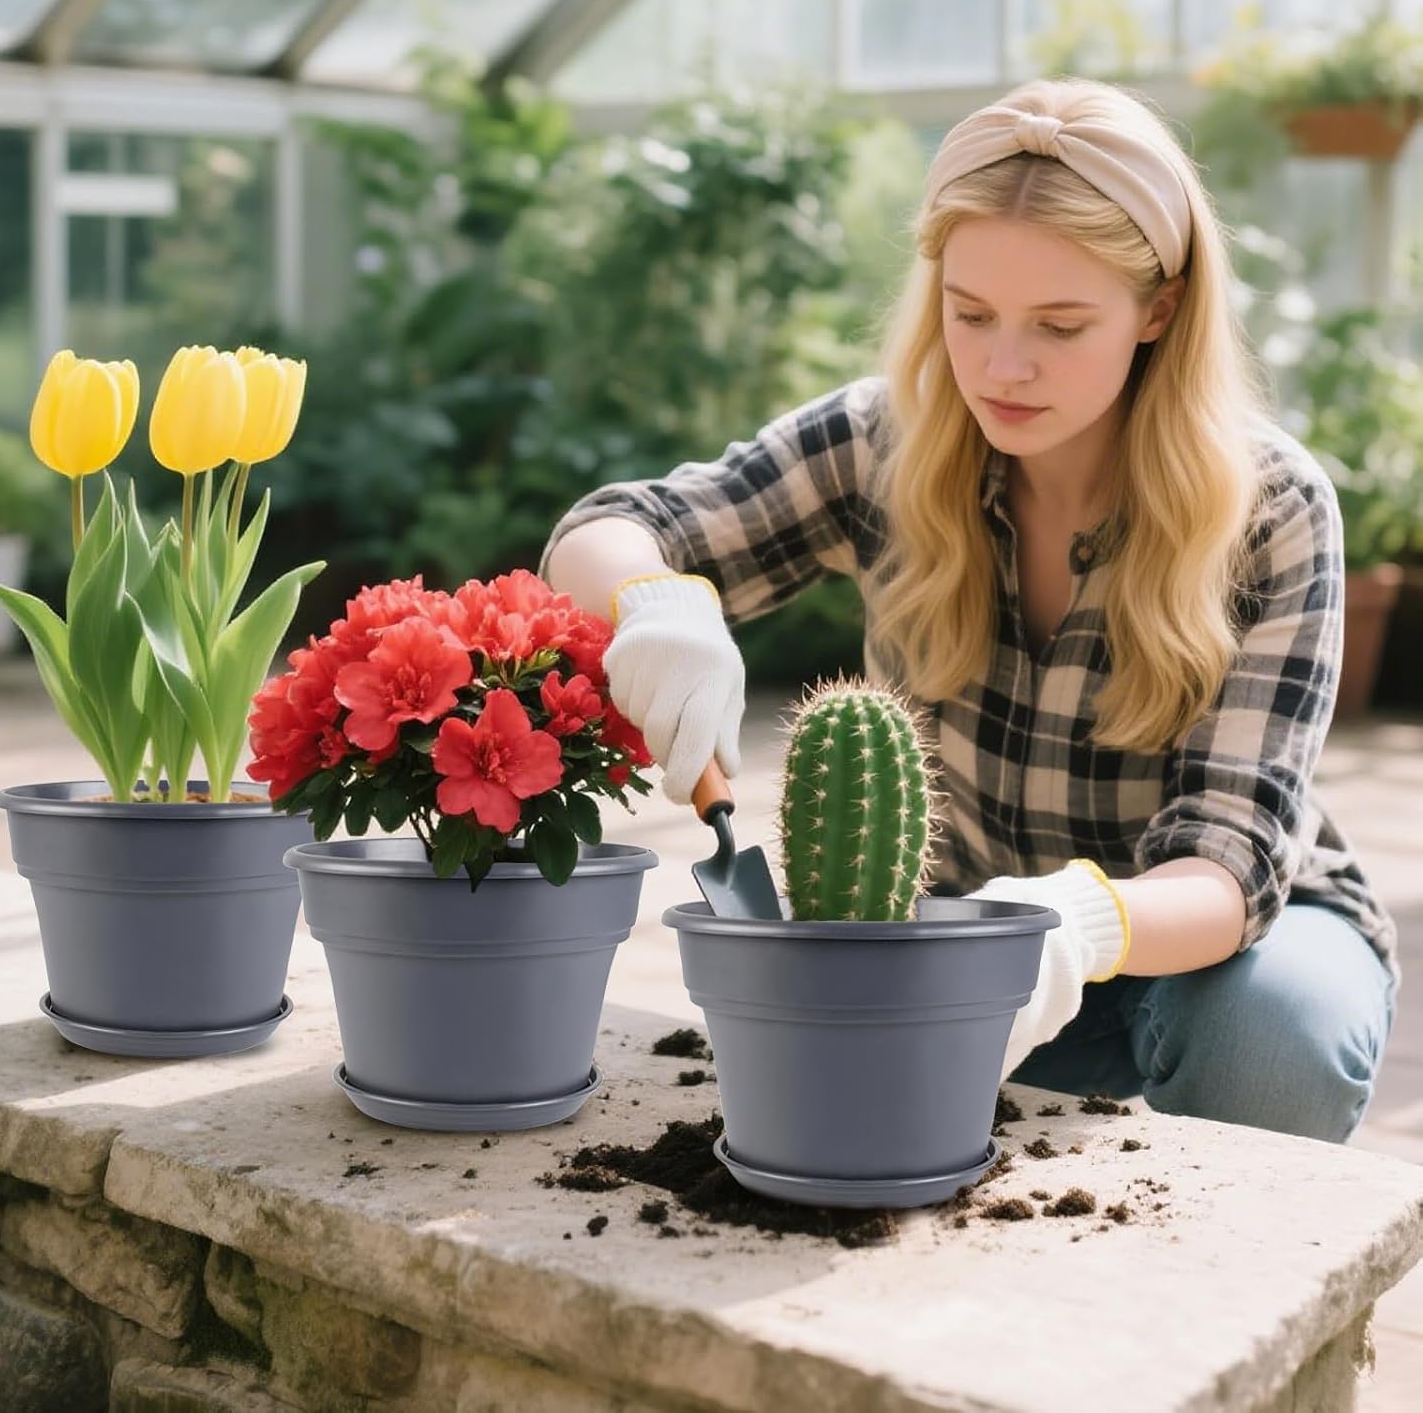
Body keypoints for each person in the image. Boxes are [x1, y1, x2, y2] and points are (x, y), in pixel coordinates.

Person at [538, 77, 1398, 1146]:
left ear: (1160, 309)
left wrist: (1076, 921)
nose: (1002, 365)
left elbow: (1230, 868)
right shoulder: (884, 443)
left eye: (1061, 324)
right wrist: (654, 602)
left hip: (1212, 947)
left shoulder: (1267, 508)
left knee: (1276, 1037)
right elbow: (611, 525)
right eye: (971, 312)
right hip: (971, 960)